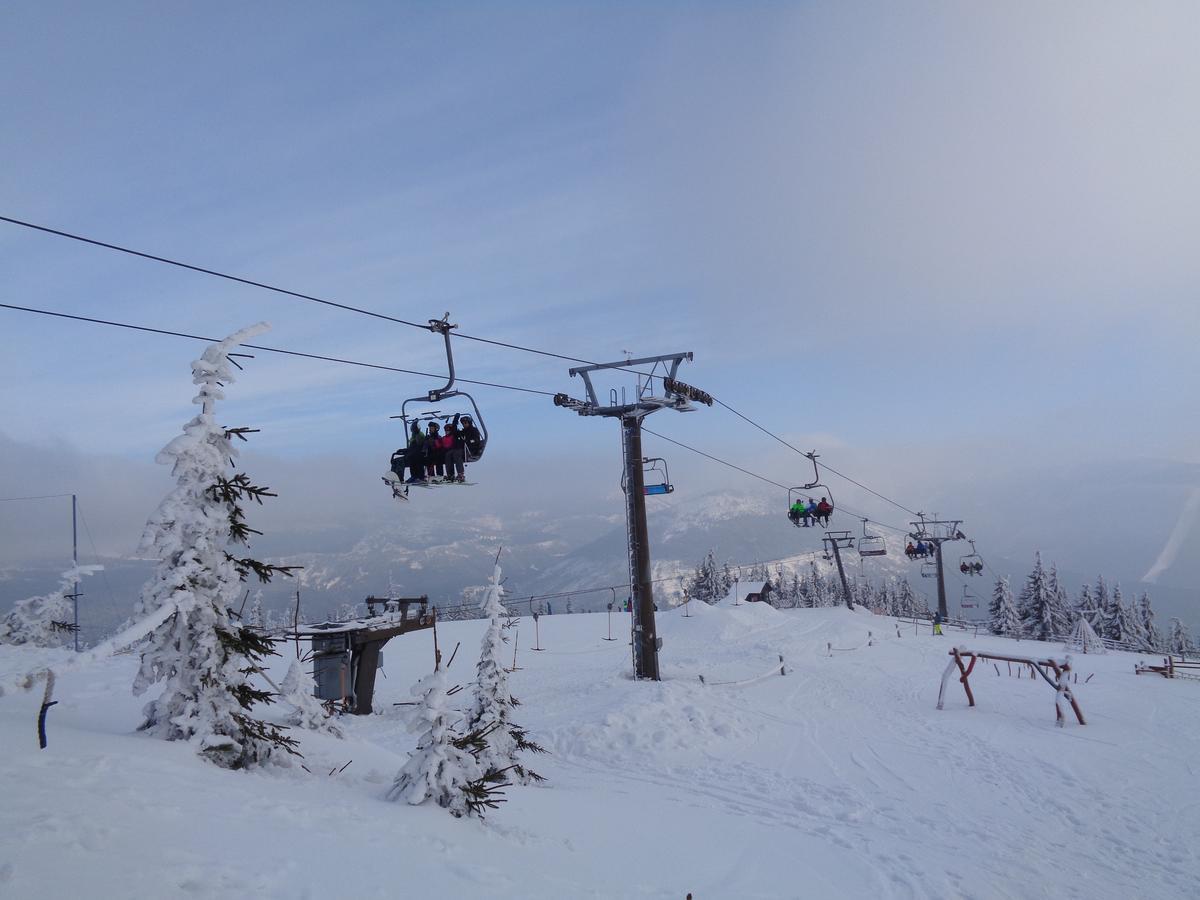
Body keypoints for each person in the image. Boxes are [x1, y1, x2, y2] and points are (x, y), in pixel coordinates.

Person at [444, 415, 466, 482]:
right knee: (448, 455)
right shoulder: (447, 437)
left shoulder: (456, 434)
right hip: (452, 450)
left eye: (448, 430)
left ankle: (460, 474)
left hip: (459, 449)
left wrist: (455, 420)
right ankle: (450, 475)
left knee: (456, 454)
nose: (447, 432)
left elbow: (454, 429)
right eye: (446, 430)